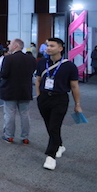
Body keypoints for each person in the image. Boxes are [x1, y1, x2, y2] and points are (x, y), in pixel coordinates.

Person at [35, 37, 82, 170]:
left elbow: (74, 87)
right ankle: (59, 145)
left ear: (60, 49)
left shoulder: (69, 66)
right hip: (44, 98)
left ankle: (51, 156)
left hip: (60, 99)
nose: (48, 48)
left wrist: (77, 104)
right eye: (47, 45)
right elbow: (38, 80)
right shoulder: (42, 63)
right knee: (50, 126)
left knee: (54, 126)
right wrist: (39, 96)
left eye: (52, 46)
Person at [0, 39, 37, 145]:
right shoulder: (31, 59)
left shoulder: (8, 58)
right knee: (25, 114)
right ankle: (25, 137)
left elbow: (4, 74)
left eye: (10, 44)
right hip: (25, 90)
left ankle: (9, 136)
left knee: (9, 114)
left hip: (10, 90)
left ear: (15, 45)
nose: (8, 46)